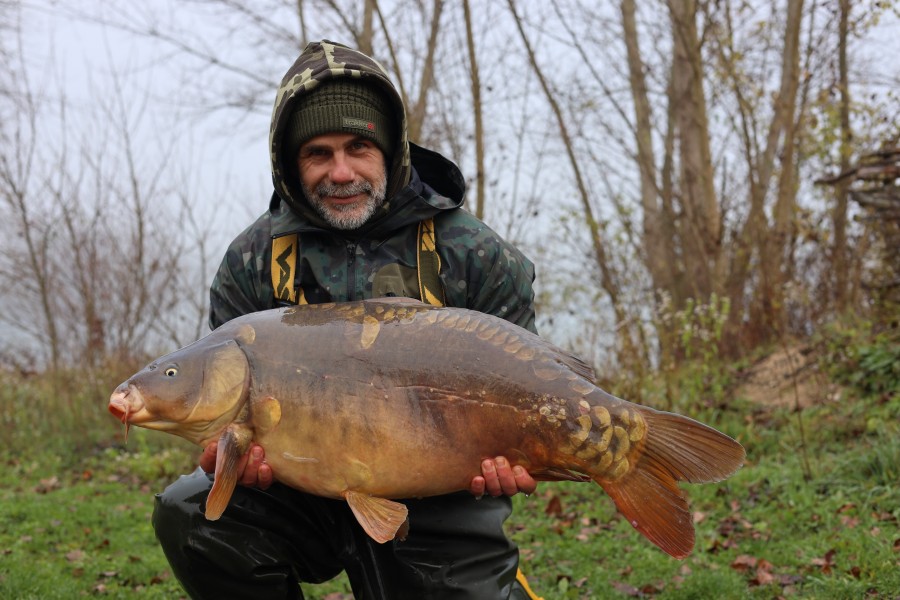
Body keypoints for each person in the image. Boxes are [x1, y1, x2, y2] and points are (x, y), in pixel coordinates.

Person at [152, 40, 542, 600]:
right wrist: (232, 455)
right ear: (291, 164)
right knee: (190, 513)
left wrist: (513, 458)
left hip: (438, 497)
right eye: (318, 152)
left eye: (358, 146)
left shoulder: (475, 253)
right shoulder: (252, 260)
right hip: (299, 486)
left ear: (391, 150)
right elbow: (226, 415)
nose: (341, 171)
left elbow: (523, 386)